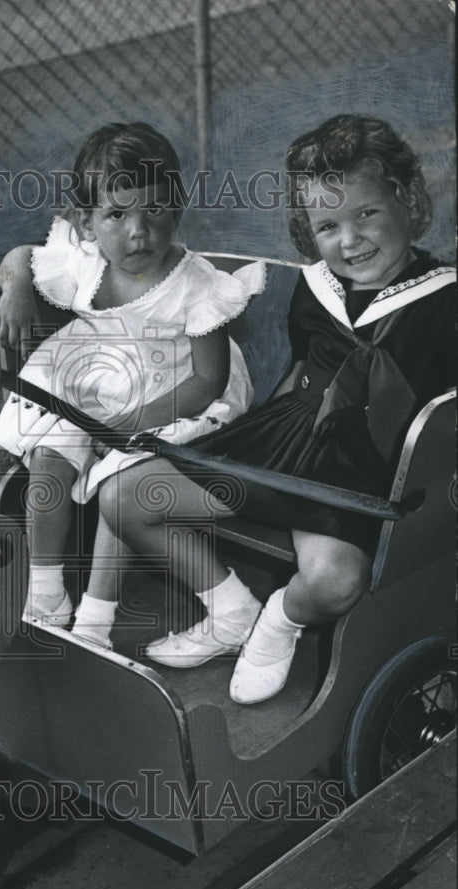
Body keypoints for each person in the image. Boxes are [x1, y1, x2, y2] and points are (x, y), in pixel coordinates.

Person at [99, 113, 456, 703]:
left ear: (406, 197)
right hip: (289, 440)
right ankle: (230, 608)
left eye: (366, 213)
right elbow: (298, 375)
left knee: (334, 582)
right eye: (328, 226)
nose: (350, 240)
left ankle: (279, 619)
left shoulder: (445, 299)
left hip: (367, 471)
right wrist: (237, 439)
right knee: (124, 495)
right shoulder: (315, 289)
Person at [0, 121, 264, 639]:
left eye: (155, 210)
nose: (139, 231)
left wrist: (127, 424)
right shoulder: (85, 258)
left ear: (176, 210)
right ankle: (46, 593)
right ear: (86, 223)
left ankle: (96, 619)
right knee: (50, 455)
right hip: (99, 374)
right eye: (117, 214)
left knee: (120, 470)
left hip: (176, 393)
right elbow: (19, 257)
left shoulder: (198, 286)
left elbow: (208, 380)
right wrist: (17, 286)